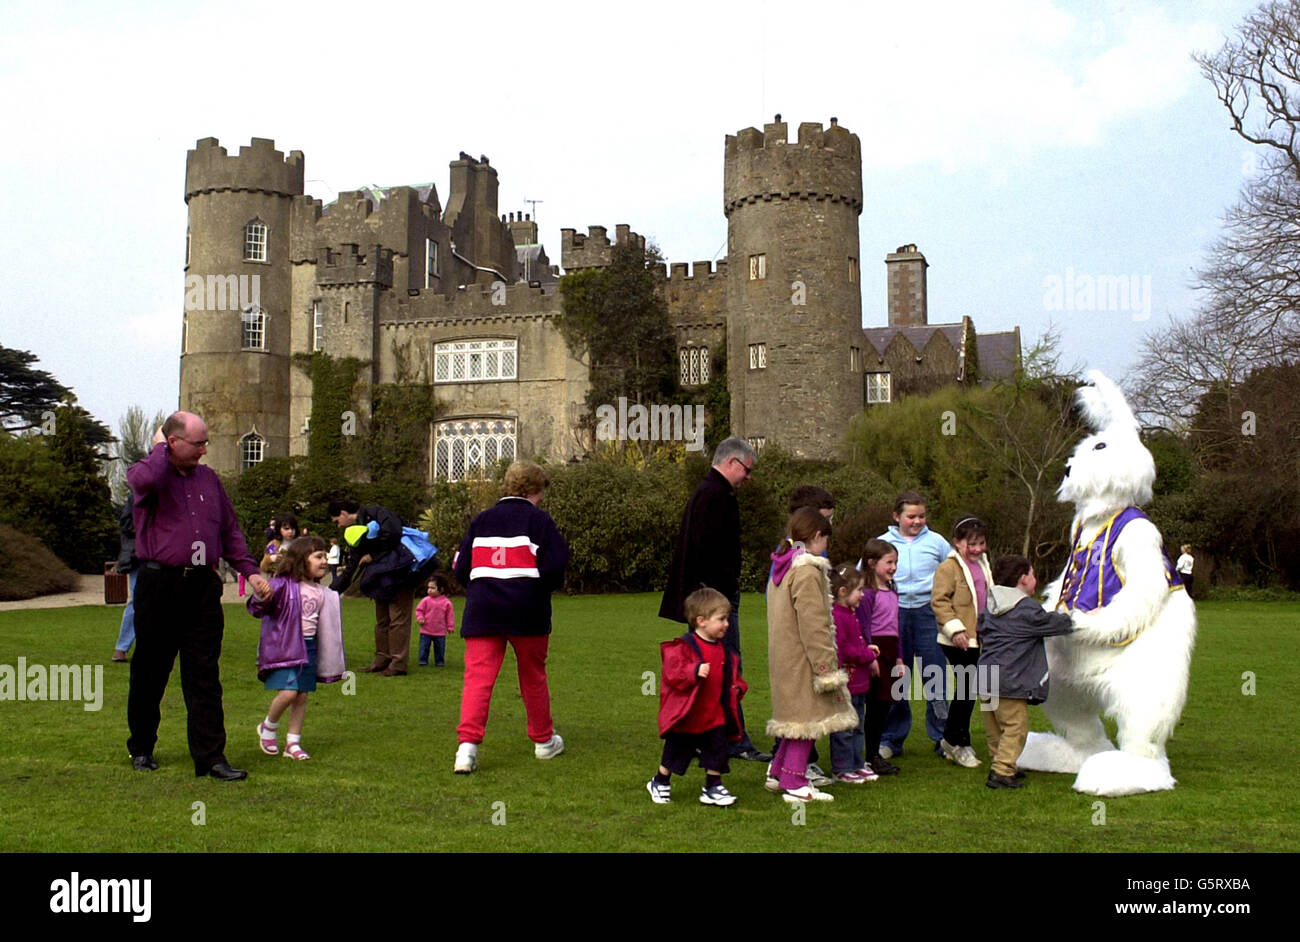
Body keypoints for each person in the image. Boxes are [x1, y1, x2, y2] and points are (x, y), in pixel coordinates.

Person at [125, 411, 271, 780]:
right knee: (150, 671)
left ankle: (210, 758)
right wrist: (160, 447)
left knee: (204, 674)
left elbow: (229, 531)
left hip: (202, 588)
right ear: (171, 442)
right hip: (159, 585)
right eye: (198, 443)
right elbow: (146, 478)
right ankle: (142, 747)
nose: (205, 451)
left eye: (206, 442)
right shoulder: (148, 474)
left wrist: (251, 572)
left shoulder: (209, 480)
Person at [452, 461, 569, 774]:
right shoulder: (539, 521)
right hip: (527, 610)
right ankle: (544, 742)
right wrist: (536, 587)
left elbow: (461, 568)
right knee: (533, 676)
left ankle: (466, 749)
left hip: (483, 610)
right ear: (535, 490)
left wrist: (484, 587)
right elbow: (556, 565)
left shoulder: (481, 520)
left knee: (478, 679)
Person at [660, 437, 769, 763]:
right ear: (732, 462)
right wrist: (718, 600)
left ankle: (705, 735)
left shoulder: (708, 492)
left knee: (714, 667)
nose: (748, 478)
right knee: (726, 666)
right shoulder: (716, 495)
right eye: (747, 471)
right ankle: (733, 738)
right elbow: (707, 549)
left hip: (709, 598)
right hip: (715, 599)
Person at [766, 508, 858, 804]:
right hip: (804, 656)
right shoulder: (807, 570)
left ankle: (779, 771)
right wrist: (825, 665)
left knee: (794, 716)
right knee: (808, 717)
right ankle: (794, 779)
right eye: (825, 538)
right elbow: (814, 622)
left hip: (786, 653)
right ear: (817, 536)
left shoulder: (784, 565)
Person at [980, 554, 1077, 789]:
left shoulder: (991, 604)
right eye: (1033, 574)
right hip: (1009, 680)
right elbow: (1055, 624)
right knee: (1016, 726)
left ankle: (1001, 762)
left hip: (985, 677)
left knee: (995, 727)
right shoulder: (1025, 608)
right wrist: (1073, 615)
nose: (1035, 579)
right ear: (1023, 579)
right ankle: (1002, 771)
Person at [647, 587, 748, 807]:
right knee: (676, 752)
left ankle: (712, 786)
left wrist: (738, 688)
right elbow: (672, 672)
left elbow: (730, 676)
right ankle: (660, 780)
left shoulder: (724, 650)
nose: (727, 624)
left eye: (727, 619)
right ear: (701, 621)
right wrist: (693, 671)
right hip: (689, 715)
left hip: (715, 715)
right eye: (721, 619)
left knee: (718, 750)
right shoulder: (685, 646)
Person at [248, 536, 346, 761]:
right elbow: (256, 607)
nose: (324, 561)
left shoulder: (322, 591)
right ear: (302, 560)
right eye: (318, 556)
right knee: (289, 692)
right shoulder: (282, 585)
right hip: (286, 647)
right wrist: (262, 596)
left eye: (325, 556)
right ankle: (268, 726)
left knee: (301, 696)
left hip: (309, 646)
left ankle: (293, 743)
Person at [878, 491, 952, 760]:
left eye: (921, 516)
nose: (917, 521)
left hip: (928, 614)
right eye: (911, 516)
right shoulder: (882, 542)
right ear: (897, 516)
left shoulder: (937, 542)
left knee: (936, 676)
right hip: (893, 614)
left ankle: (943, 737)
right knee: (898, 677)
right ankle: (891, 739)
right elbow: (865, 575)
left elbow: (955, 572)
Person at [328, 499, 418, 676]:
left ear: (344, 513)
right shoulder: (355, 533)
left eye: (336, 521)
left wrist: (373, 555)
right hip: (381, 578)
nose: (338, 526)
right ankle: (382, 658)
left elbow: (393, 534)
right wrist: (329, 592)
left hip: (400, 573)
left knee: (398, 618)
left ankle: (398, 663)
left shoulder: (379, 513)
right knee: (382, 620)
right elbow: (351, 567)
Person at [931, 516, 993, 769]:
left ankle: (950, 739)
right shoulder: (948, 568)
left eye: (981, 543)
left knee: (970, 690)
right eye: (971, 544)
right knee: (967, 690)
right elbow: (939, 601)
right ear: (957, 543)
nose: (977, 549)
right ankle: (958, 742)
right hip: (957, 639)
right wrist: (955, 630)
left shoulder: (984, 565)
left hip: (978, 637)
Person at [828, 563, 879, 783]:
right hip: (846, 682)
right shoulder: (837, 616)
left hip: (858, 682)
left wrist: (866, 649)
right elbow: (843, 649)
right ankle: (842, 767)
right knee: (844, 727)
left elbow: (856, 642)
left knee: (858, 724)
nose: (862, 594)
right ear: (842, 592)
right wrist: (867, 655)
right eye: (858, 590)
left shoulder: (851, 613)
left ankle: (857, 763)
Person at [858, 538, 903, 775]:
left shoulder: (893, 589)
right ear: (872, 563)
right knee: (875, 705)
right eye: (889, 562)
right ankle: (870, 755)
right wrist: (870, 655)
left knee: (886, 703)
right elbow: (864, 627)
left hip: (891, 649)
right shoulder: (867, 594)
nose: (894, 567)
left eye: (896, 562)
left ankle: (874, 752)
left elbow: (896, 626)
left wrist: (899, 657)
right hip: (875, 650)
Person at [111, 492, 139, 663]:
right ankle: (121, 647)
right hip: (141, 556)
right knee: (137, 600)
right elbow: (126, 524)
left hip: (160, 555)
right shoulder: (136, 496)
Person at [416, 573, 455, 667]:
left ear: (441, 589)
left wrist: (450, 626)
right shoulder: (425, 600)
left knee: (440, 648)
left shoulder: (446, 603)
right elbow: (419, 610)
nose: (429, 590)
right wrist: (420, 618)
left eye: (433, 588)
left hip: (440, 631)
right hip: (426, 629)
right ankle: (423, 660)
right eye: (428, 587)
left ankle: (440, 661)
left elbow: (450, 616)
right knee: (424, 647)